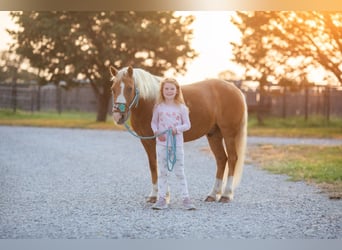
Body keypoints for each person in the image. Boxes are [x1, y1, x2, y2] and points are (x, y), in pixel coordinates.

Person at [151, 78, 196, 210]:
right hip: (161, 144)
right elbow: (153, 122)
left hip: (177, 144)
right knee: (163, 172)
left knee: (179, 172)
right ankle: (162, 199)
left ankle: (186, 198)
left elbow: (187, 125)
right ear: (162, 90)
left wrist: (177, 129)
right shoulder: (158, 107)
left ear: (177, 91)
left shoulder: (182, 108)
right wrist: (157, 132)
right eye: (166, 88)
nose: (169, 91)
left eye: (172, 89)